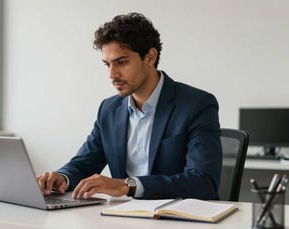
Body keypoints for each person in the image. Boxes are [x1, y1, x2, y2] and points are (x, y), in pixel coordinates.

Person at [38, 12, 222, 200]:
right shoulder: (109, 110)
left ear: (150, 57)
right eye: (107, 64)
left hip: (178, 218)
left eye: (121, 62)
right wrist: (61, 178)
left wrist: (128, 186)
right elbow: (84, 164)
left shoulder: (197, 104)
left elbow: (203, 181)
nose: (112, 74)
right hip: (125, 216)